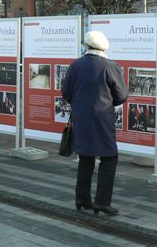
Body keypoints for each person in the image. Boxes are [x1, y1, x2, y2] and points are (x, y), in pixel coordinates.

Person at [61, 31, 128, 216]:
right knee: (109, 157)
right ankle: (102, 202)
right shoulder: (110, 66)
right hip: (102, 119)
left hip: (80, 118)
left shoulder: (76, 65)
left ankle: (82, 198)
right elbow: (121, 95)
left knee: (85, 157)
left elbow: (65, 92)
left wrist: (80, 103)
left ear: (87, 46)